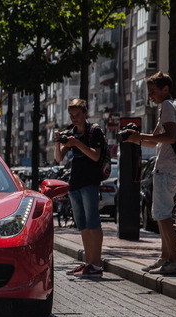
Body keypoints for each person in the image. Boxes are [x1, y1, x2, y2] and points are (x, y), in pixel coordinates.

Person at [123, 72, 176, 275]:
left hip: (166, 168)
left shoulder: (167, 106)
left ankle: (174, 261)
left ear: (165, 88)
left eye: (153, 91)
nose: (151, 96)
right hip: (172, 168)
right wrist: (135, 139)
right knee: (160, 214)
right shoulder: (174, 105)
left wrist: (140, 136)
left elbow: (171, 137)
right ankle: (166, 257)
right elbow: (155, 139)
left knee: (163, 216)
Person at [54, 99, 104, 278]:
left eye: (77, 115)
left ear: (84, 113)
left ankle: (97, 265)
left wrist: (77, 143)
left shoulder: (94, 131)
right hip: (74, 183)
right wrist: (58, 142)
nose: (74, 119)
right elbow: (59, 158)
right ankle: (89, 262)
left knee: (93, 222)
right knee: (82, 224)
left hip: (90, 182)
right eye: (71, 115)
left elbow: (96, 156)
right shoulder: (71, 133)